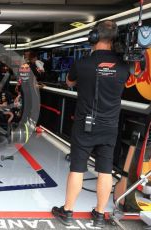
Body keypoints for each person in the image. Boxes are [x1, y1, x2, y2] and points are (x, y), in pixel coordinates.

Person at [52, 20, 130, 228]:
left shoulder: (82, 64)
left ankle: (68, 211)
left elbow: (69, 82)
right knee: (105, 170)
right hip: (110, 125)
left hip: (85, 124)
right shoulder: (123, 67)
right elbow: (126, 80)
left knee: (78, 167)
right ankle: (99, 214)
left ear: (93, 38)